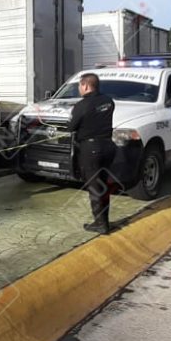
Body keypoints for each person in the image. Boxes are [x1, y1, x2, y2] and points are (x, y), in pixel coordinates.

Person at [69, 73, 116, 235]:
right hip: (108, 146)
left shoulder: (82, 105)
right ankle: (105, 221)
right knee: (103, 185)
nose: (79, 89)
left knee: (95, 187)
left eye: (80, 86)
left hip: (91, 149)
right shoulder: (109, 101)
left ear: (86, 86)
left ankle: (100, 224)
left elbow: (71, 127)